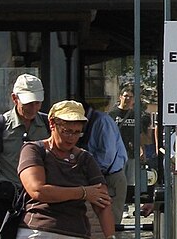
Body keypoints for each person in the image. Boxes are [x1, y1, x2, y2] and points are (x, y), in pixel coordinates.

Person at [17, 98, 115, 239]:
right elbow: (38, 190)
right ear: (52, 124)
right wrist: (83, 193)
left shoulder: (85, 158)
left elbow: (102, 203)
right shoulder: (33, 150)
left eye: (77, 132)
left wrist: (110, 237)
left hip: (76, 231)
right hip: (38, 229)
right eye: (66, 131)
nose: (71, 138)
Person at [0, 73, 50, 239]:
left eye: (38, 103)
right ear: (15, 98)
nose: (33, 108)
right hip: (7, 203)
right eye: (28, 103)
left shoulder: (48, 125)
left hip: (40, 203)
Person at [78, 99, 129, 231]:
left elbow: (107, 155)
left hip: (110, 177)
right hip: (96, 177)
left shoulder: (101, 121)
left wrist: (87, 171)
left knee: (109, 224)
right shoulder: (89, 122)